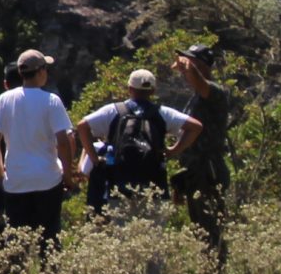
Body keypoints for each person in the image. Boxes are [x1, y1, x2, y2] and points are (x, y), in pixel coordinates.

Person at [0, 49, 78, 274]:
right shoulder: (51, 101)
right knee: (49, 237)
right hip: (47, 177)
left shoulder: (4, 100)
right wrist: (68, 174)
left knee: (17, 239)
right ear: (41, 72)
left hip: (16, 180)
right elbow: (63, 141)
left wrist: (1, 173)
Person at [77, 70, 201, 210]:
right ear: (153, 91)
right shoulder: (162, 113)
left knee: (120, 229)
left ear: (129, 88)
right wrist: (174, 150)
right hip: (154, 187)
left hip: (119, 186)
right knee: (154, 229)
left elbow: (82, 126)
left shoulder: (113, 111)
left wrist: (95, 159)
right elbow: (196, 126)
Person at [172, 44, 234, 274]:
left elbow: (201, 84)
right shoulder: (194, 98)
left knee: (211, 227)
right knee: (200, 228)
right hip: (194, 170)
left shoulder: (216, 93)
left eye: (193, 61)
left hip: (209, 170)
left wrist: (190, 67)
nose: (186, 67)